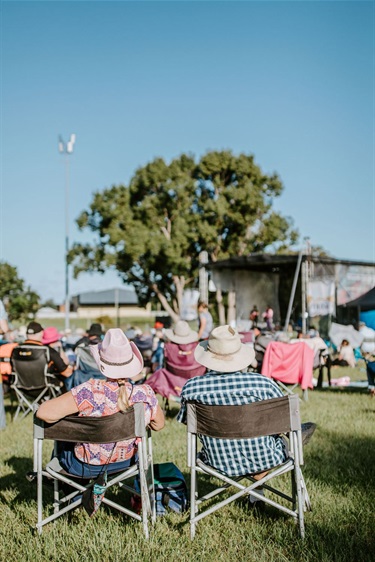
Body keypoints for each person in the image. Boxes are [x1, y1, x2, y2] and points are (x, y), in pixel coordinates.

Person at [36, 328, 165, 477]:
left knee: (64, 442)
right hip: (127, 462)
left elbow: (43, 413)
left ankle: (74, 493)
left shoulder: (88, 392)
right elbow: (159, 425)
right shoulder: (145, 394)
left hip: (84, 465)